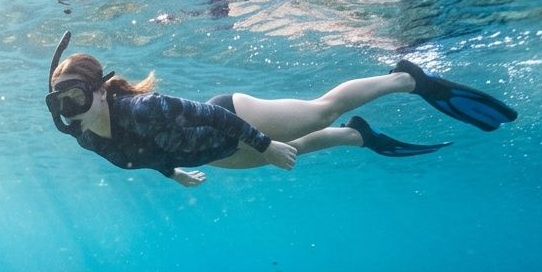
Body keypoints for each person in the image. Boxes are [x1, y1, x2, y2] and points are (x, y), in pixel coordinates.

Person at [44, 33, 517, 187]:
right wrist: (175, 173)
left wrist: (264, 144)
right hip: (214, 153)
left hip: (229, 117)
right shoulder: (84, 135)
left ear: (102, 90)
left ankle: (406, 78)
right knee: (297, 149)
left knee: (316, 114)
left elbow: (213, 118)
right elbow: (138, 152)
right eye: (60, 104)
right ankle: (360, 136)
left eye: (76, 98)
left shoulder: (143, 109)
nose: (71, 112)